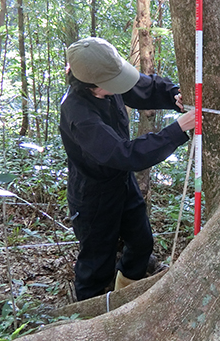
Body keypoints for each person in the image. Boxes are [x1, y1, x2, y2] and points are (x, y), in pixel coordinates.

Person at [59, 37, 197, 301]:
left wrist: (174, 94)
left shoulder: (107, 81)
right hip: (93, 195)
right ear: (92, 84)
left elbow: (143, 88)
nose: (118, 86)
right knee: (97, 262)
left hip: (121, 183)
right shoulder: (78, 113)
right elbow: (125, 154)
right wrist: (177, 130)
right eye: (113, 84)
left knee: (142, 242)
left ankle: (125, 297)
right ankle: (90, 318)